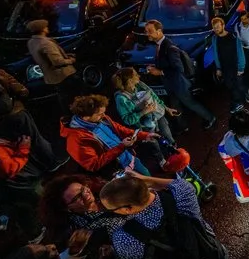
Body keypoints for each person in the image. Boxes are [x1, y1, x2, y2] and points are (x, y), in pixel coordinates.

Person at [99, 174, 234, 259]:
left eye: (112, 209)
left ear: (128, 208)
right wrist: (146, 179)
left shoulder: (123, 237)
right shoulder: (182, 194)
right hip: (209, 255)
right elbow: (177, 183)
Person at [61, 94, 189, 177]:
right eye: (99, 114)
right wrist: (121, 146)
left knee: (148, 179)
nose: (103, 116)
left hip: (129, 158)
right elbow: (93, 164)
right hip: (117, 172)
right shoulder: (75, 139)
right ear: (86, 117)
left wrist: (145, 135)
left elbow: (120, 129)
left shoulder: (102, 118)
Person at [144, 19, 216, 130]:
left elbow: (179, 68)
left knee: (190, 103)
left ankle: (210, 118)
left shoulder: (169, 47)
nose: (147, 34)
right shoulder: (160, 45)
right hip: (171, 84)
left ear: (159, 31)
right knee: (175, 105)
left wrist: (160, 72)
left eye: (149, 31)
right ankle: (182, 126)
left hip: (179, 84)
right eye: (146, 31)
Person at [26, 19, 82, 110]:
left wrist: (65, 55)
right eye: (46, 27)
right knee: (73, 97)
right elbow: (57, 62)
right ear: (43, 29)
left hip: (50, 76)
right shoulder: (46, 43)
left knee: (63, 96)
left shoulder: (31, 42)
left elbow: (44, 57)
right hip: (64, 75)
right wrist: (71, 60)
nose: (47, 28)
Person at [112, 68, 177, 144]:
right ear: (130, 81)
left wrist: (166, 108)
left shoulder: (140, 85)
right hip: (145, 127)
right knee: (154, 146)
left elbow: (154, 96)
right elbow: (127, 120)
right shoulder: (121, 98)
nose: (139, 76)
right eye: (136, 75)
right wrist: (144, 111)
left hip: (158, 115)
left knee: (169, 138)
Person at [211, 17, 248, 113]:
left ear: (223, 25)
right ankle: (238, 103)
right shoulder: (215, 38)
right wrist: (218, 67)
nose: (216, 29)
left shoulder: (233, 36)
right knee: (230, 85)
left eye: (218, 27)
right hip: (225, 67)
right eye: (214, 27)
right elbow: (216, 53)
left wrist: (241, 67)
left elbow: (240, 52)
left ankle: (243, 95)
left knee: (238, 85)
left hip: (235, 66)